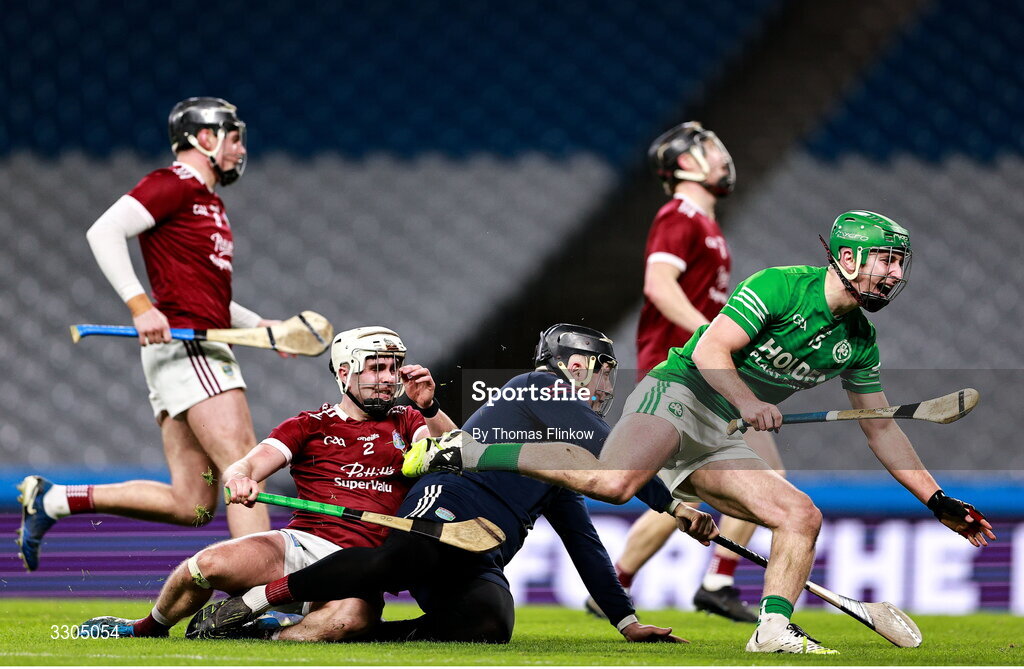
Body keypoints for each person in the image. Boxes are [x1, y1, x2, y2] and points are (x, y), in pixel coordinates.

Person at [404, 211, 997, 654]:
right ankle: (472, 446)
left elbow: (881, 428)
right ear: (846, 257)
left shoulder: (860, 341)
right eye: (884, 260)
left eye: (900, 263)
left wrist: (936, 500)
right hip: (678, 392)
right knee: (613, 485)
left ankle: (772, 628)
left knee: (800, 515)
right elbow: (713, 348)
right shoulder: (780, 287)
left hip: (721, 429)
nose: (895, 274)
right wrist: (749, 400)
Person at [184, 324, 698, 644]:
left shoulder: (562, 466)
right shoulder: (540, 385)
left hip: (480, 549)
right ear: (567, 366)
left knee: (490, 624)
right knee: (403, 559)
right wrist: (673, 503)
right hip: (449, 501)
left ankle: (326, 638)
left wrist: (627, 623)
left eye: (608, 374)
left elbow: (582, 542)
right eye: (597, 371)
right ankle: (255, 602)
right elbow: (611, 450)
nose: (603, 386)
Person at [17, 97, 288, 572]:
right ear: (205, 138)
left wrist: (259, 326)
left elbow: (208, 298)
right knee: (244, 466)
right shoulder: (174, 184)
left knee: (194, 503)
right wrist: (139, 304)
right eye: (235, 135)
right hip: (191, 348)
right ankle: (262, 595)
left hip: (192, 345)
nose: (240, 147)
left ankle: (55, 500)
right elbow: (103, 231)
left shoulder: (208, 202)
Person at [77, 327, 456, 640]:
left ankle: (263, 633)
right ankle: (147, 628)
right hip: (300, 546)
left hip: (360, 565)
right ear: (344, 373)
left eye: (393, 369)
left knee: (350, 620)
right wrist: (240, 479)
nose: (389, 379)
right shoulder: (309, 425)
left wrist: (429, 406)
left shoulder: (408, 419)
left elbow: (455, 455)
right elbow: (246, 465)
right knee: (206, 565)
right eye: (376, 368)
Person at [599, 121, 784, 622]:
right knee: (761, 478)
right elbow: (660, 286)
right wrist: (711, 337)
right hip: (681, 373)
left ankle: (613, 586)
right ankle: (716, 584)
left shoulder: (705, 224)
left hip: (698, 376)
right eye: (707, 147)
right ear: (684, 162)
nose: (721, 155)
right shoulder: (678, 215)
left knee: (682, 489)